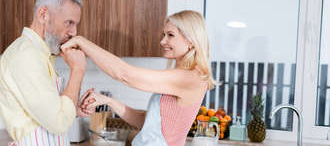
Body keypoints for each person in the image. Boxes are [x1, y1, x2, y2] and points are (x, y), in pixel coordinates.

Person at [62, 10, 218, 146]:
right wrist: (108, 101)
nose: (163, 41)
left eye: (170, 35)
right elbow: (146, 122)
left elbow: (124, 74)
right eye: (163, 35)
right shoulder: (183, 76)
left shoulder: (190, 77)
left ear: (191, 40)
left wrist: (82, 42)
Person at [0, 0, 93, 146]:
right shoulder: (26, 56)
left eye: (76, 24)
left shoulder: (42, 54)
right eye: (69, 22)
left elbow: (46, 113)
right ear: (43, 15)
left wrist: (72, 109)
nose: (74, 32)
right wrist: (78, 70)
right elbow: (58, 122)